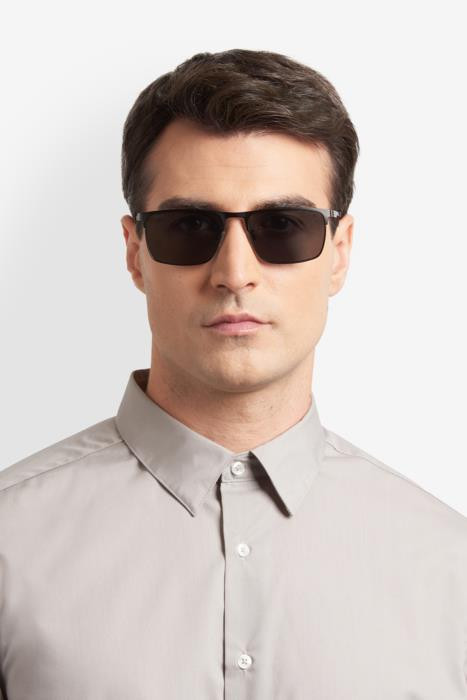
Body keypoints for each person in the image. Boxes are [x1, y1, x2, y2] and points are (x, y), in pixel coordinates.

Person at [1, 48, 466, 700]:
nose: (234, 273)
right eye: (191, 226)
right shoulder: (11, 543)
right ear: (134, 252)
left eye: (282, 226)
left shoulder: (448, 570)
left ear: (339, 254)